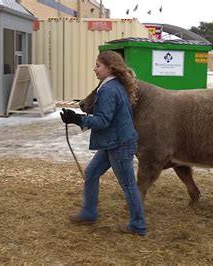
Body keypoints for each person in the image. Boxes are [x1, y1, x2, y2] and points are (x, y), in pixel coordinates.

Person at [60, 51, 147, 236]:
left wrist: (78, 119)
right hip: (114, 141)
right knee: (91, 173)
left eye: (98, 65)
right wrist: (77, 118)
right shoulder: (114, 85)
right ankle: (89, 212)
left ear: (109, 68)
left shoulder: (109, 89)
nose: (95, 69)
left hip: (119, 143)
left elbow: (103, 121)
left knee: (129, 185)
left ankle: (138, 225)